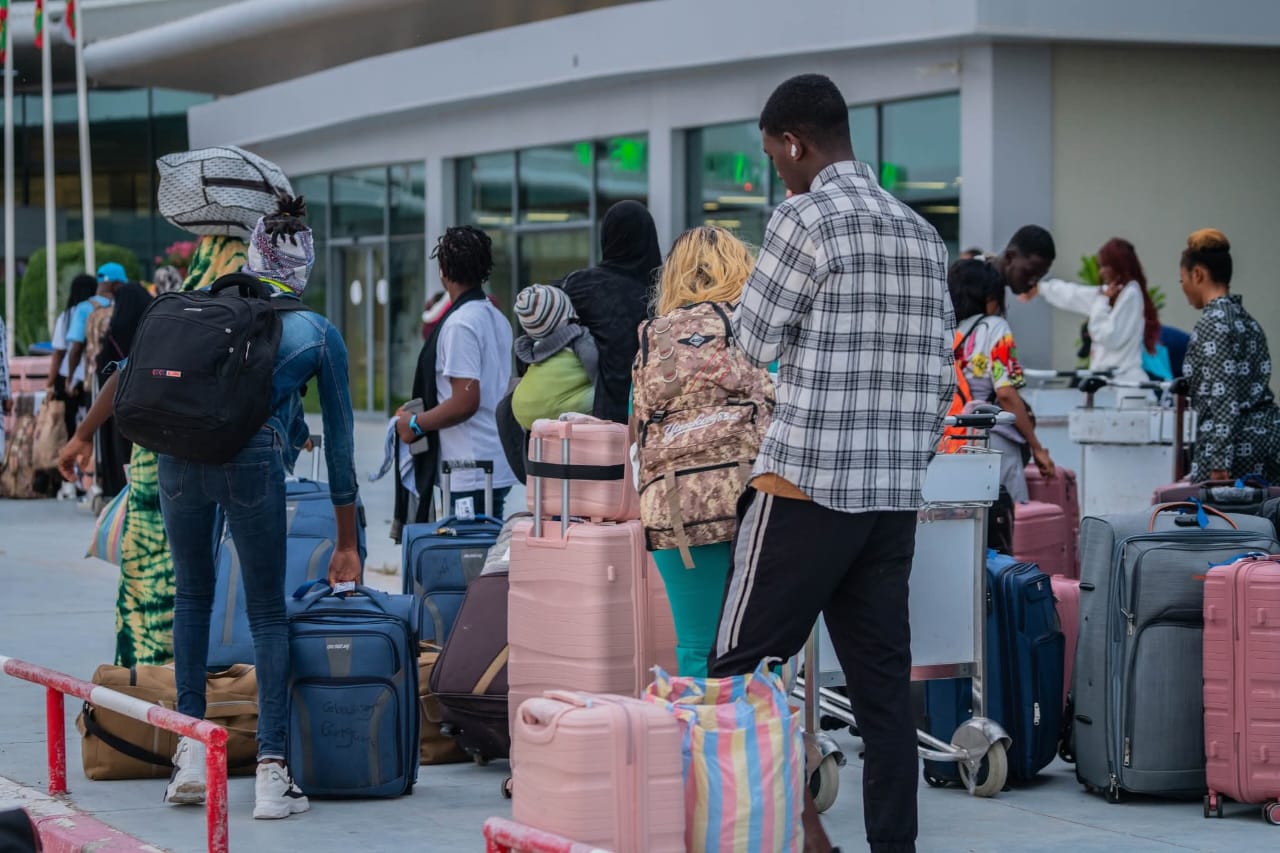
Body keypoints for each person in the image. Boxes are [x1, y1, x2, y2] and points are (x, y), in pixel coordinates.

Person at [706, 74, 954, 853]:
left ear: (793, 143)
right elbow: (941, 376)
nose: (776, 170)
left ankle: (751, 836)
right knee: (884, 701)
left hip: (804, 485)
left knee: (735, 680)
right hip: (887, 504)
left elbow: (753, 340)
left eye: (773, 155)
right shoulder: (922, 234)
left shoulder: (802, 219)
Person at [634, 224, 771, 677]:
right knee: (761, 644)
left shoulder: (653, 340)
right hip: (755, 499)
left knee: (696, 647)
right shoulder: (755, 330)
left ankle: (704, 745)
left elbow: (637, 425)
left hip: (675, 507)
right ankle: (758, 742)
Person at [394, 226, 516, 526]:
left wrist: (413, 424)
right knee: (481, 559)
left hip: (469, 469)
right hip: (492, 461)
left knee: (465, 565)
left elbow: (465, 401)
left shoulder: (461, 324)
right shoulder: (495, 317)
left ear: (443, 270)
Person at [944, 259, 1054, 502]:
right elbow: (1005, 394)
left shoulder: (945, 332)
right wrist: (1036, 447)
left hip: (951, 442)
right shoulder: (994, 327)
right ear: (990, 296)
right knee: (1005, 524)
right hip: (992, 440)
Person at [1178, 228, 1280, 482]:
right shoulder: (1248, 321)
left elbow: (1224, 395)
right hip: (1267, 440)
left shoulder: (1213, 323)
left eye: (1183, 280)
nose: (1184, 288)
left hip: (1234, 451)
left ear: (1198, 274)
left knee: (1224, 521)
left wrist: (1219, 461)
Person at [556, 200, 661, 424]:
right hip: (652, 422)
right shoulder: (663, 294)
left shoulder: (579, 285)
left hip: (597, 421)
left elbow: (537, 313)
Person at [1028, 238, 1158, 385]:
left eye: (1104, 266)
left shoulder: (1131, 294)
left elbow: (1107, 335)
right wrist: (1041, 288)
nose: (1101, 272)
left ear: (1118, 266)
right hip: (1108, 383)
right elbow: (1075, 295)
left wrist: (1101, 302)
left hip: (1124, 385)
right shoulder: (1112, 292)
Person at [93, 282, 153, 499]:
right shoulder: (152, 327)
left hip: (116, 399)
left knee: (118, 444)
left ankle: (119, 489)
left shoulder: (114, 330)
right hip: (147, 398)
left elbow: (104, 363)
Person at [510, 283, 599, 429]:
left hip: (521, 410)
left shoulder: (534, 347)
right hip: (556, 410)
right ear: (566, 314)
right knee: (603, 395)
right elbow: (594, 362)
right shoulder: (578, 338)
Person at [47, 274, 98, 447]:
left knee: (68, 424)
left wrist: (51, 383)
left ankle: (68, 463)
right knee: (93, 423)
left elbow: (60, 352)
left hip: (68, 375)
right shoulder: (100, 313)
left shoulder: (67, 316)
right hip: (93, 377)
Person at [64, 263, 125, 391]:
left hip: (96, 376)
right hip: (124, 376)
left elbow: (76, 348)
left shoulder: (84, 308)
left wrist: (70, 377)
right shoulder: (125, 305)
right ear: (115, 284)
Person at [992, 225, 1056, 297]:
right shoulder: (980, 290)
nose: (1033, 283)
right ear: (1009, 257)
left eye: (1040, 277)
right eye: (1028, 273)